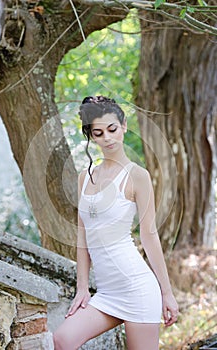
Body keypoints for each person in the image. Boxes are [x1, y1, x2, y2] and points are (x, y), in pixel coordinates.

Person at [53, 96, 179, 350]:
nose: (107, 138)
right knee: (63, 339)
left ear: (123, 126)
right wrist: (82, 288)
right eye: (99, 133)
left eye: (112, 129)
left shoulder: (137, 176)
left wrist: (167, 292)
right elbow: (82, 236)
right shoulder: (84, 178)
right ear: (92, 136)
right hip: (107, 294)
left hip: (137, 288)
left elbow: (149, 235)